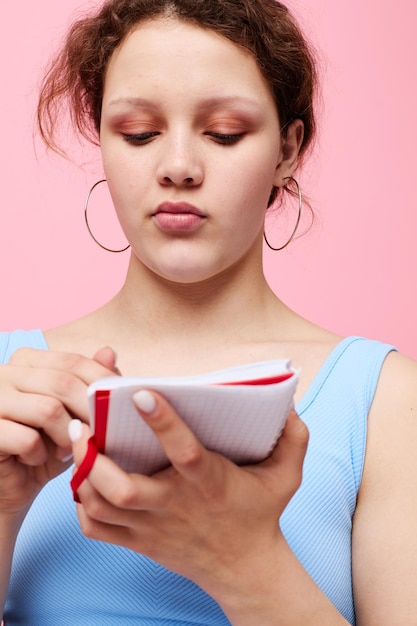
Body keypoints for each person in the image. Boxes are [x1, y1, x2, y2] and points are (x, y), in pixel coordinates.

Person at [1, 0, 416, 624]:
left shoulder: (386, 404)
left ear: (288, 150)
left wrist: (245, 562)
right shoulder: (10, 386)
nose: (177, 168)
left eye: (224, 132)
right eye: (139, 133)